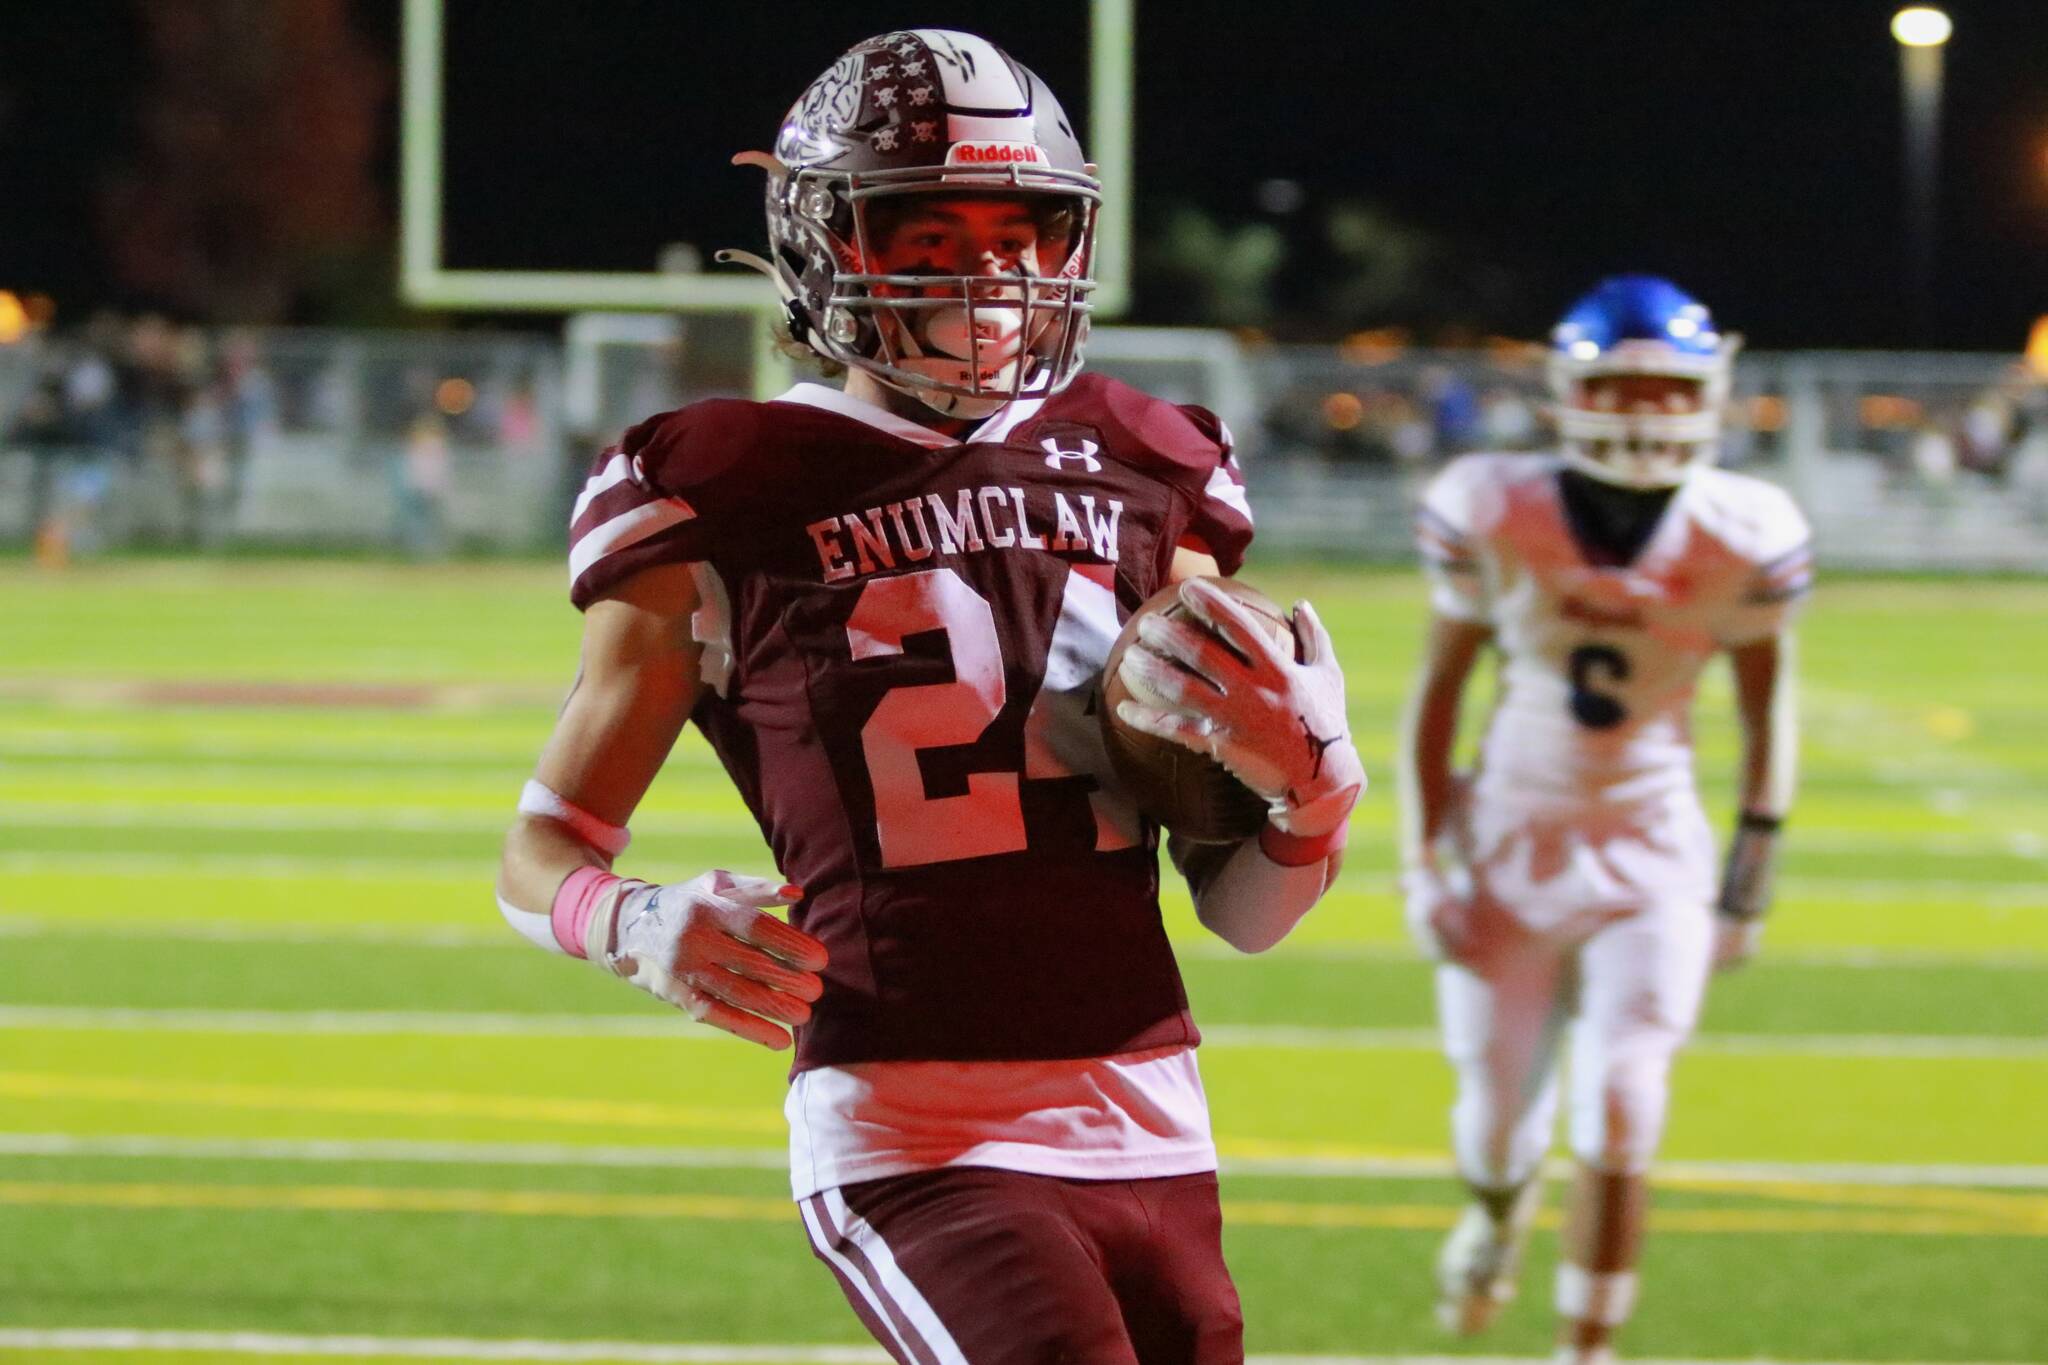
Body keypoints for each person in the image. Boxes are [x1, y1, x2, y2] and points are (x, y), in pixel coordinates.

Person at [495, 29, 1365, 1363]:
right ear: (824, 243)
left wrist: (1313, 796)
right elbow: (538, 850)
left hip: (1152, 1106)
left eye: (1022, 228)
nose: (991, 268)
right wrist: (628, 921)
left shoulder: (1146, 462)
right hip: (913, 1119)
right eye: (929, 229)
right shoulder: (723, 479)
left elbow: (1243, 915)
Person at [1400, 276, 1810, 1365]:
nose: (1640, 415)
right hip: (1507, 844)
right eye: (1619, 390)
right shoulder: (1494, 505)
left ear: (1707, 397)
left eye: (1663, 392)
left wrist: (1746, 880)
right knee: (1494, 1121)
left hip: (1650, 850)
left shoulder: (1742, 527)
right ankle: (1493, 1215)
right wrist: (1420, 858)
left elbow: (1768, 710)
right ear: (1569, 393)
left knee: (1625, 1104)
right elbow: (1435, 695)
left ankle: (1586, 1349)